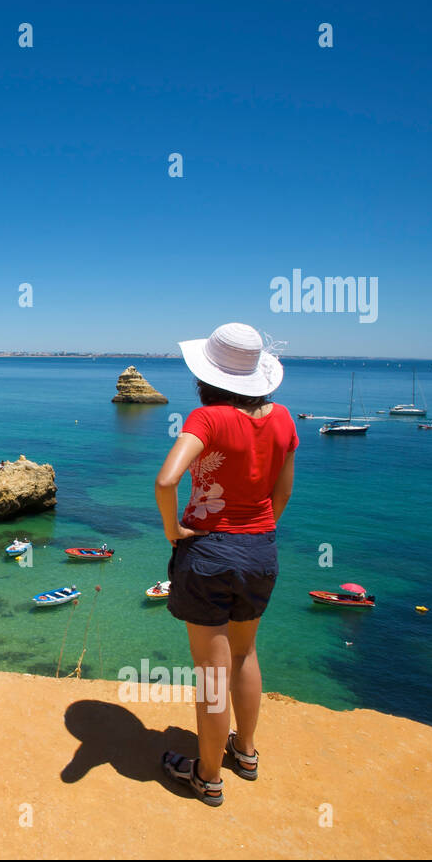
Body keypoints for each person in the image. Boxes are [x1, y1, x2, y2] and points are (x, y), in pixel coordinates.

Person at [155, 324, 296, 807]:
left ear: (206, 375)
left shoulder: (207, 419)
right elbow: (283, 493)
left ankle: (208, 776)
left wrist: (174, 532)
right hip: (261, 550)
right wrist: (254, 532)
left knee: (211, 672)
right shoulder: (283, 420)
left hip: (209, 553)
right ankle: (247, 752)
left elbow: (166, 480)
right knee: (244, 654)